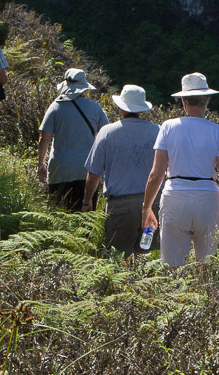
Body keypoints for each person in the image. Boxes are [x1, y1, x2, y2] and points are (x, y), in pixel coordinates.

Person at [141, 73, 219, 268]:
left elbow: (156, 174)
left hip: (175, 197)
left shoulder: (168, 127)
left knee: (171, 267)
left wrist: (146, 208)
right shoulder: (218, 132)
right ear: (207, 100)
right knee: (205, 268)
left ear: (183, 100)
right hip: (209, 200)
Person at [83, 85, 159, 254]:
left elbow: (93, 173)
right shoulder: (156, 131)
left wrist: (87, 201)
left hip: (120, 206)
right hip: (151, 205)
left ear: (120, 107)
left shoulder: (107, 132)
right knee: (146, 256)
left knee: (119, 257)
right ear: (142, 109)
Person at [37, 68, 108, 210]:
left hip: (60, 169)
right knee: (86, 214)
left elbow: (44, 139)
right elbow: (106, 135)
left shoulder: (55, 107)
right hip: (87, 169)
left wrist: (40, 164)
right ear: (84, 88)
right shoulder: (95, 108)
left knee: (59, 213)